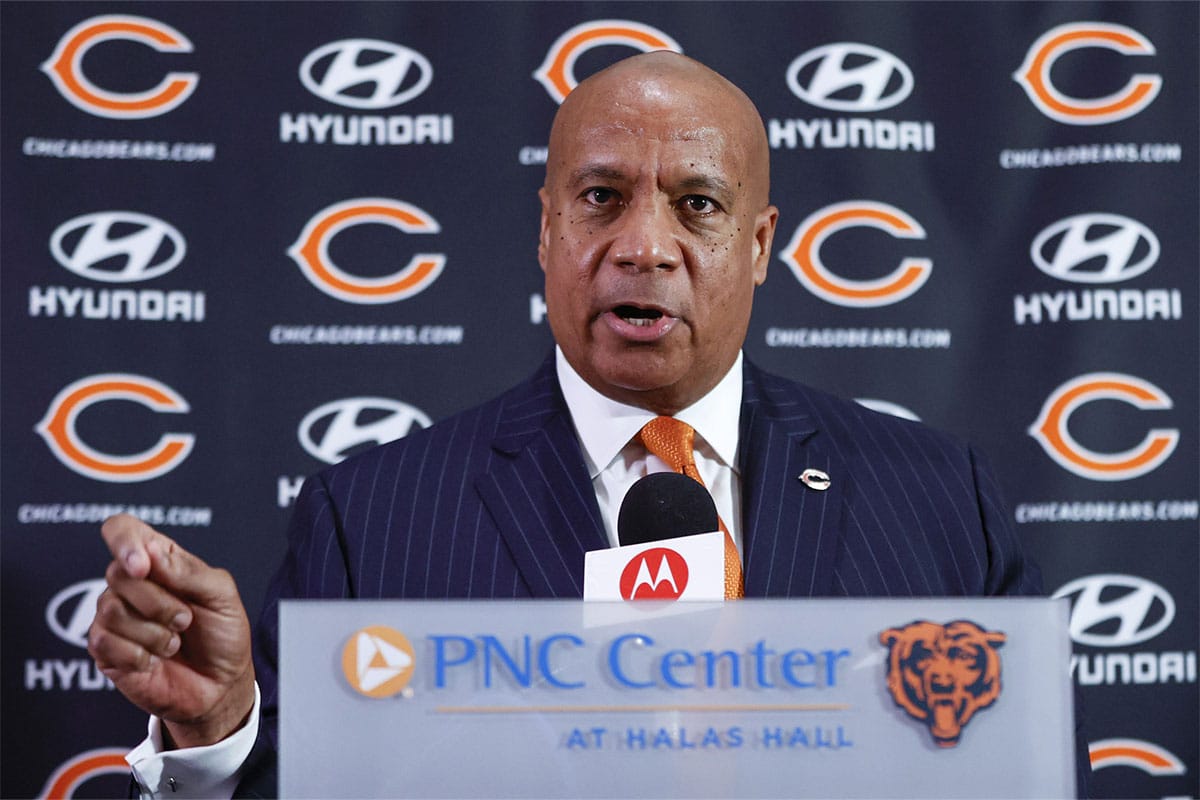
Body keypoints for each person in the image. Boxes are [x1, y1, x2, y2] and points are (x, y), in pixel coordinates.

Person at [89, 51, 1045, 798]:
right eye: (601, 199)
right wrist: (215, 731)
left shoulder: (933, 495)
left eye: (697, 205)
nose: (643, 247)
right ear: (547, 230)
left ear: (757, 248)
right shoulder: (372, 513)